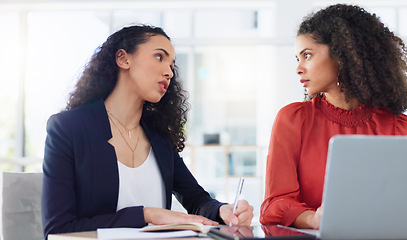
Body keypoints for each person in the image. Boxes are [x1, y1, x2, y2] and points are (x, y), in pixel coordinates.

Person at [41, 24, 253, 239]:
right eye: (159, 57)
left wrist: (223, 211)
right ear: (123, 59)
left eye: (172, 65)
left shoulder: (159, 136)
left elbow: (196, 199)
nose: (169, 72)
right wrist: (147, 215)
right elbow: (58, 229)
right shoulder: (68, 128)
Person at [260, 4, 407, 229]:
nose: (299, 68)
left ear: (342, 54)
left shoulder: (401, 128)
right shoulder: (293, 120)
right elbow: (275, 204)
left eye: (307, 55)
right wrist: (314, 219)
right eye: (297, 58)